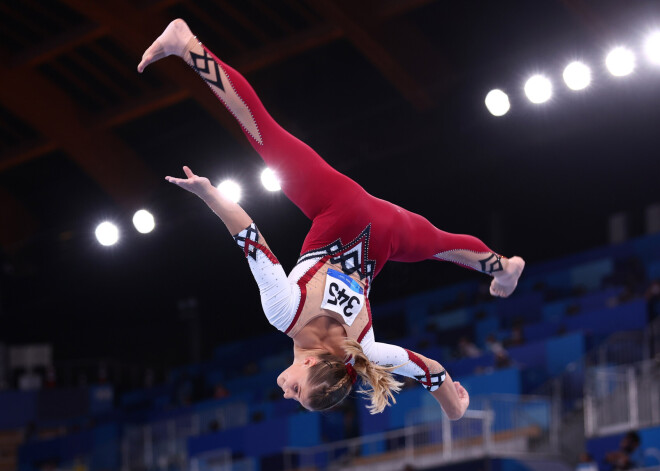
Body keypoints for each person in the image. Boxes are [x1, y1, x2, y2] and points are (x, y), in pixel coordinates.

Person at [138, 19, 525, 418]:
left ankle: (505, 267)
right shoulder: (283, 312)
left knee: (441, 246)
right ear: (308, 363)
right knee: (260, 130)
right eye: (298, 392)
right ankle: (186, 44)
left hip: (384, 232)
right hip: (339, 208)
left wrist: (454, 409)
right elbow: (250, 239)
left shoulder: (366, 351)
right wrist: (209, 194)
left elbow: (431, 372)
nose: (287, 393)